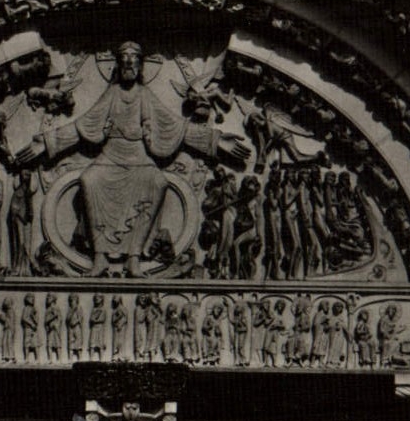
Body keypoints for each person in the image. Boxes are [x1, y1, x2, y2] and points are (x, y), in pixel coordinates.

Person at [23, 41, 246, 276]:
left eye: (133, 60)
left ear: (140, 67)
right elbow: (82, 126)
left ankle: (134, 258)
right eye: (125, 60)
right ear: (119, 66)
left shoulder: (144, 95)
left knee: (156, 181)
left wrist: (215, 140)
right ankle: (99, 257)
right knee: (89, 179)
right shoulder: (112, 94)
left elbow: (176, 127)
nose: (129, 64)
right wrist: (46, 143)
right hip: (110, 155)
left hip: (139, 156)